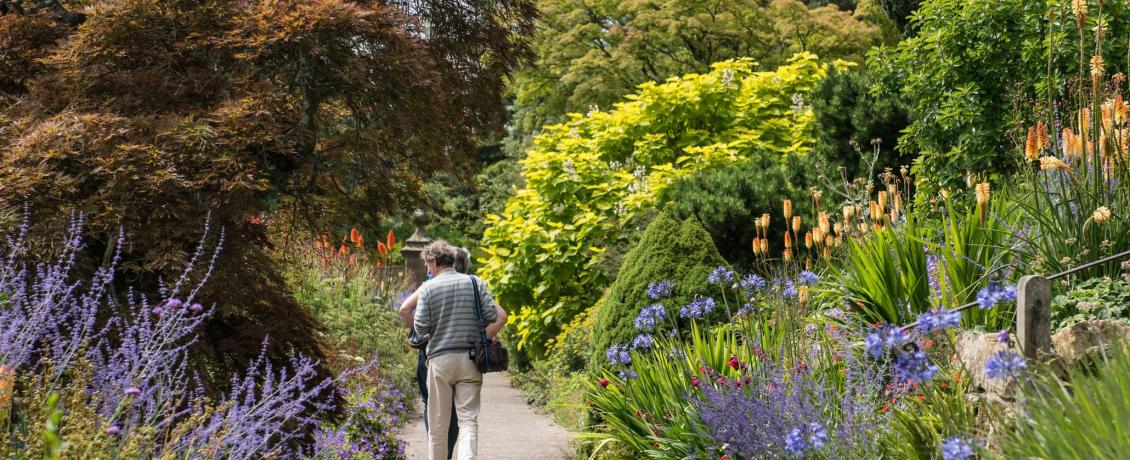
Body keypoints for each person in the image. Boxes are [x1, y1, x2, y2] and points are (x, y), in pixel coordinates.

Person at [401, 242, 506, 460]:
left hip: (440, 361)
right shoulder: (474, 282)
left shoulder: (428, 288)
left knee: (438, 426)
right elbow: (491, 315)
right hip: (470, 360)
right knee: (468, 421)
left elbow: (421, 328)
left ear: (434, 261)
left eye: (428, 264)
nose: (427, 269)